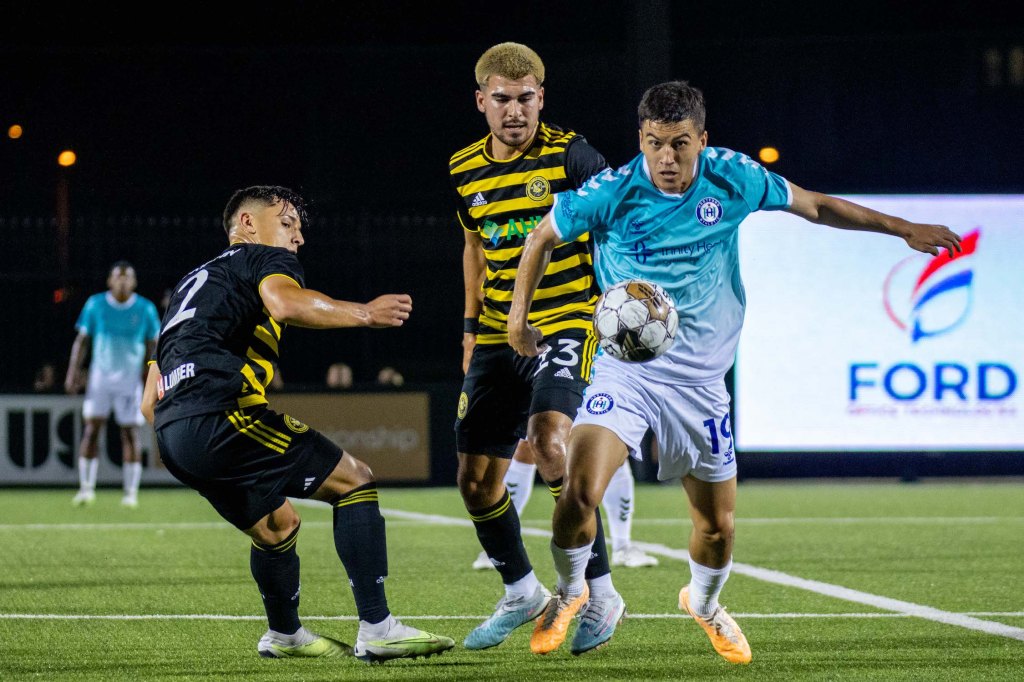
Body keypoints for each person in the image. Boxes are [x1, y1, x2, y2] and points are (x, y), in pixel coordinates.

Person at [508, 80, 962, 662]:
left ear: (703, 138)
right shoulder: (613, 190)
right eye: (653, 144)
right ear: (640, 139)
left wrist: (903, 228)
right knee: (577, 491)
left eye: (679, 144)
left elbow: (817, 206)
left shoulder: (733, 177)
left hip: (701, 384)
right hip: (629, 373)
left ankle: (703, 602)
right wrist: (518, 319)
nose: (666, 160)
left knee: (717, 528)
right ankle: (571, 593)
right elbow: (542, 236)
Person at [141, 185, 454, 663]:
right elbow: (287, 304)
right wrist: (366, 313)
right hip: (221, 415)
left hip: (172, 433)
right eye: (287, 223)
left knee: (276, 525)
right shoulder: (257, 259)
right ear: (246, 225)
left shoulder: (189, 286)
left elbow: (149, 399)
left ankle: (285, 636)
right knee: (355, 481)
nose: (298, 237)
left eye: (299, 228)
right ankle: (378, 627)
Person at [450, 41, 626, 656]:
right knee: (475, 481)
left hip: (567, 324)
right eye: (502, 99)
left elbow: (618, 222)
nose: (515, 111)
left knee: (551, 441)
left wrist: (623, 305)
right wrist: (472, 329)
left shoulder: (574, 156)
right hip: (499, 333)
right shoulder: (463, 168)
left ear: (541, 98)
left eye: (526, 98)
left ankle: (599, 593)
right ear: (481, 101)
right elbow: (475, 248)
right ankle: (523, 591)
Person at [472, 440, 658, 569]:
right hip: (542, 384)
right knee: (526, 447)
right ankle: (501, 548)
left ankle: (622, 546)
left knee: (613, 449)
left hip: (589, 383)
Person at [65, 261, 161, 508]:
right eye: (118, 277)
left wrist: (152, 375)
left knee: (130, 432)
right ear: (109, 281)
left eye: (127, 277)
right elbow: (82, 341)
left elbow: (155, 346)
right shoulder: (95, 304)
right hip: (100, 378)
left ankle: (130, 493)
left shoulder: (146, 308)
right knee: (91, 430)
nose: (122, 281)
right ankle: (86, 489)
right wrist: (73, 372)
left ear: (134, 282)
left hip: (130, 380)